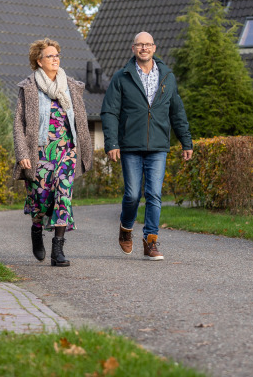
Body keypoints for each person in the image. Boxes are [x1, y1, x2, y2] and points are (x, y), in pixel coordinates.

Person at [101, 31, 193, 261]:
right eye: (139, 45)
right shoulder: (122, 77)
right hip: (130, 146)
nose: (144, 48)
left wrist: (185, 141)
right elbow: (109, 111)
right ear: (133, 48)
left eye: (148, 44)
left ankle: (150, 241)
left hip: (159, 146)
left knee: (154, 194)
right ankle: (126, 228)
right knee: (132, 195)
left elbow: (177, 111)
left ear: (154, 47)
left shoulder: (167, 76)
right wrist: (112, 142)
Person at [13, 38, 92, 267]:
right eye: (50, 56)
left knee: (63, 195)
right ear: (39, 61)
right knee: (41, 200)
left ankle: (58, 249)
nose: (55, 59)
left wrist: (80, 149)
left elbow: (81, 120)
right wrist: (22, 153)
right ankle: (37, 229)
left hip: (67, 150)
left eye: (57, 55)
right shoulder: (29, 87)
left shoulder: (71, 86)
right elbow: (19, 123)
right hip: (39, 152)